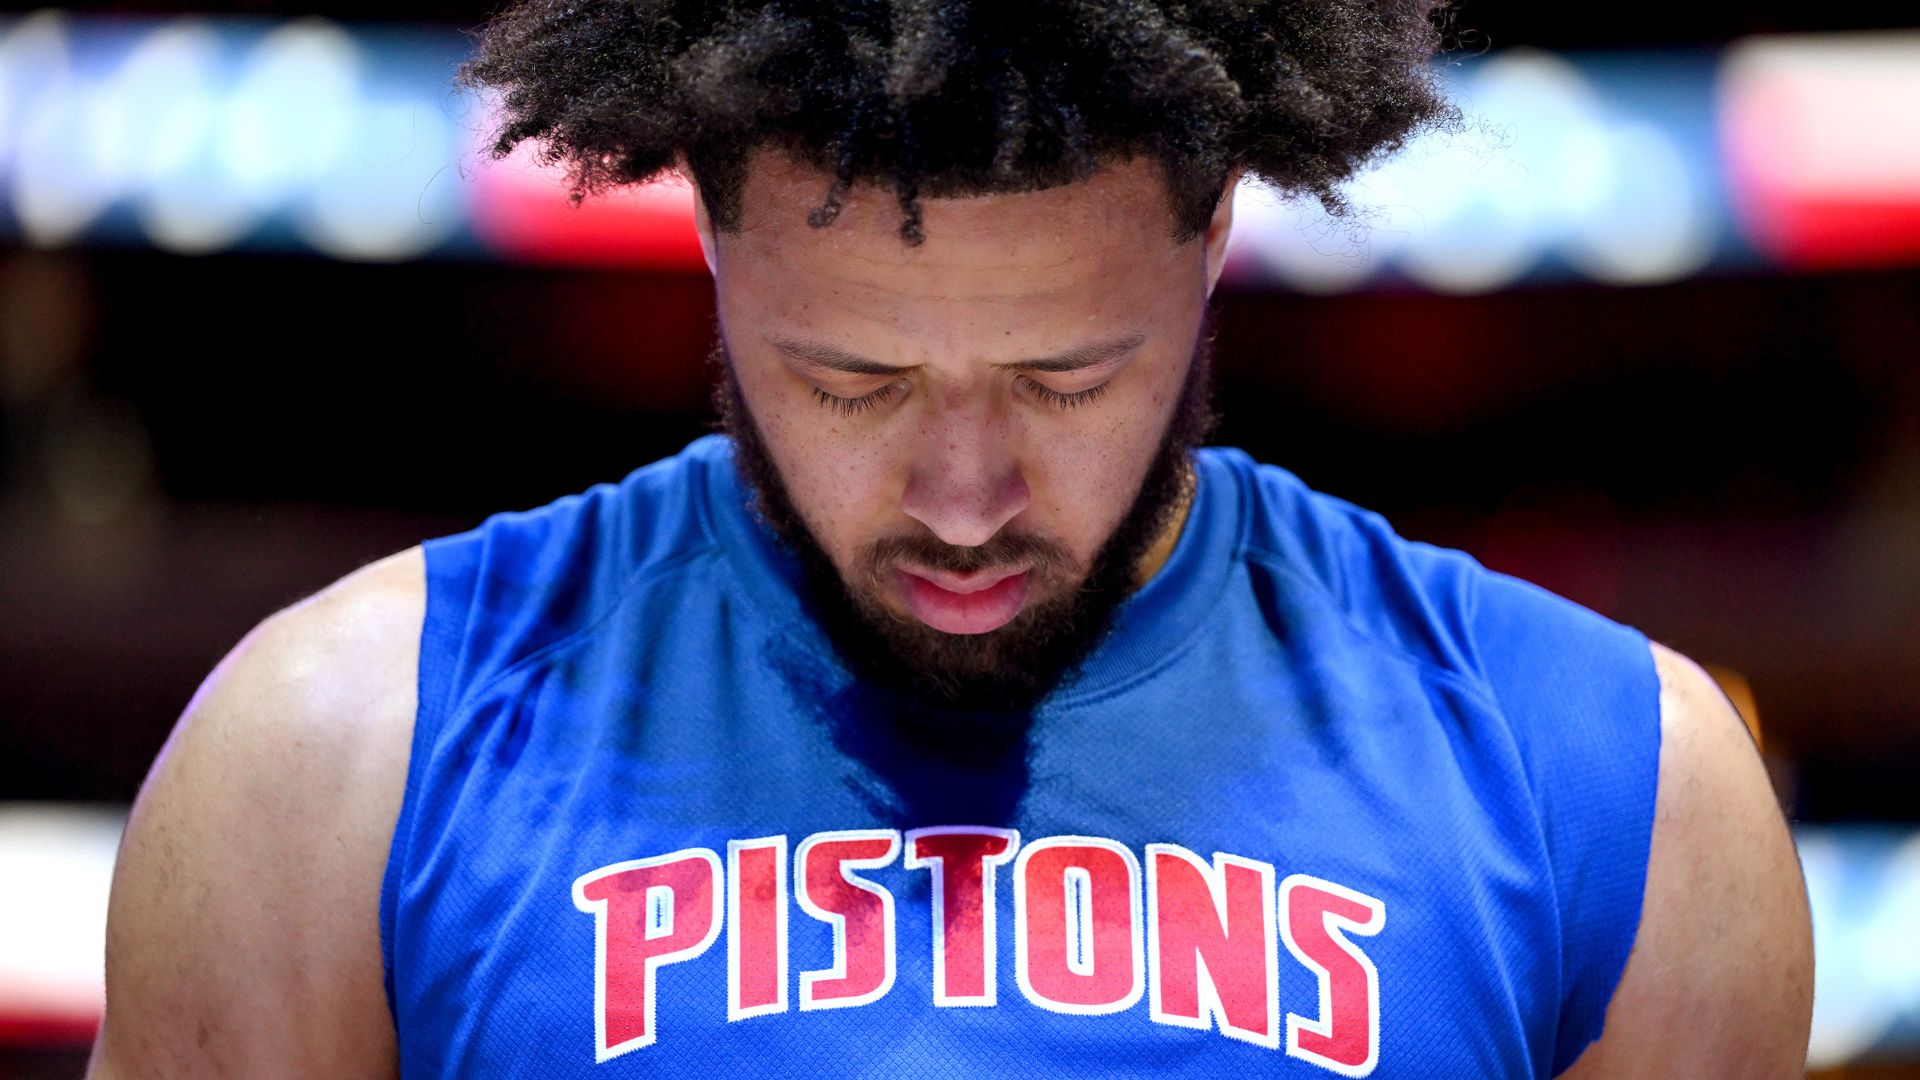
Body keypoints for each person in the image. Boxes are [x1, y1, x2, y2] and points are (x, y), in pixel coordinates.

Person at [88, 2, 1812, 1076]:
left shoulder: (1614, 787)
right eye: (852, 381)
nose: (966, 497)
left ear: (1216, 238)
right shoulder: (328, 762)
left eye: (1069, 378)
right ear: (714, 237)